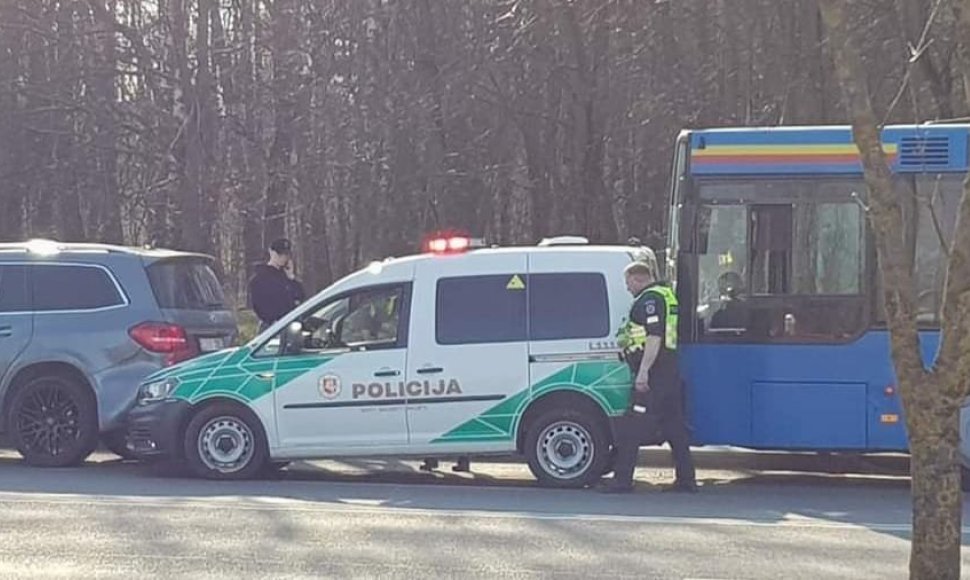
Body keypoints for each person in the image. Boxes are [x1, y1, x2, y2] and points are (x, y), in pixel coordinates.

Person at [600, 261, 697, 493]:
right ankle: (686, 480)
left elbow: (654, 337)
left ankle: (622, 481)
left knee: (632, 427)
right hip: (670, 374)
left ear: (637, 278)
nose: (627, 288)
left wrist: (643, 372)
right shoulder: (667, 295)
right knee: (675, 429)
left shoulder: (649, 300)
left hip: (653, 377)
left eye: (628, 283)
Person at [249, 238, 306, 331]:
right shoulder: (260, 277)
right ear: (272, 253)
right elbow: (259, 306)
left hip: (290, 324)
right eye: (280, 254)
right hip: (271, 325)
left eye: (286, 254)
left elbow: (301, 297)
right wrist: (271, 319)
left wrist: (291, 277)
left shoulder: (286, 276)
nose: (283, 258)